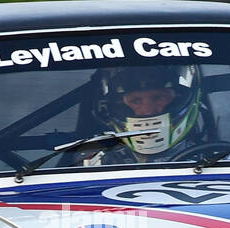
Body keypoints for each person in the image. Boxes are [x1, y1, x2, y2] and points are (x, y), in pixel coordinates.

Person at [84, 64, 213, 165]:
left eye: (159, 98)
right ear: (119, 106)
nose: (148, 110)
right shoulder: (94, 162)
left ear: (179, 99)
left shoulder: (219, 159)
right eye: (136, 101)